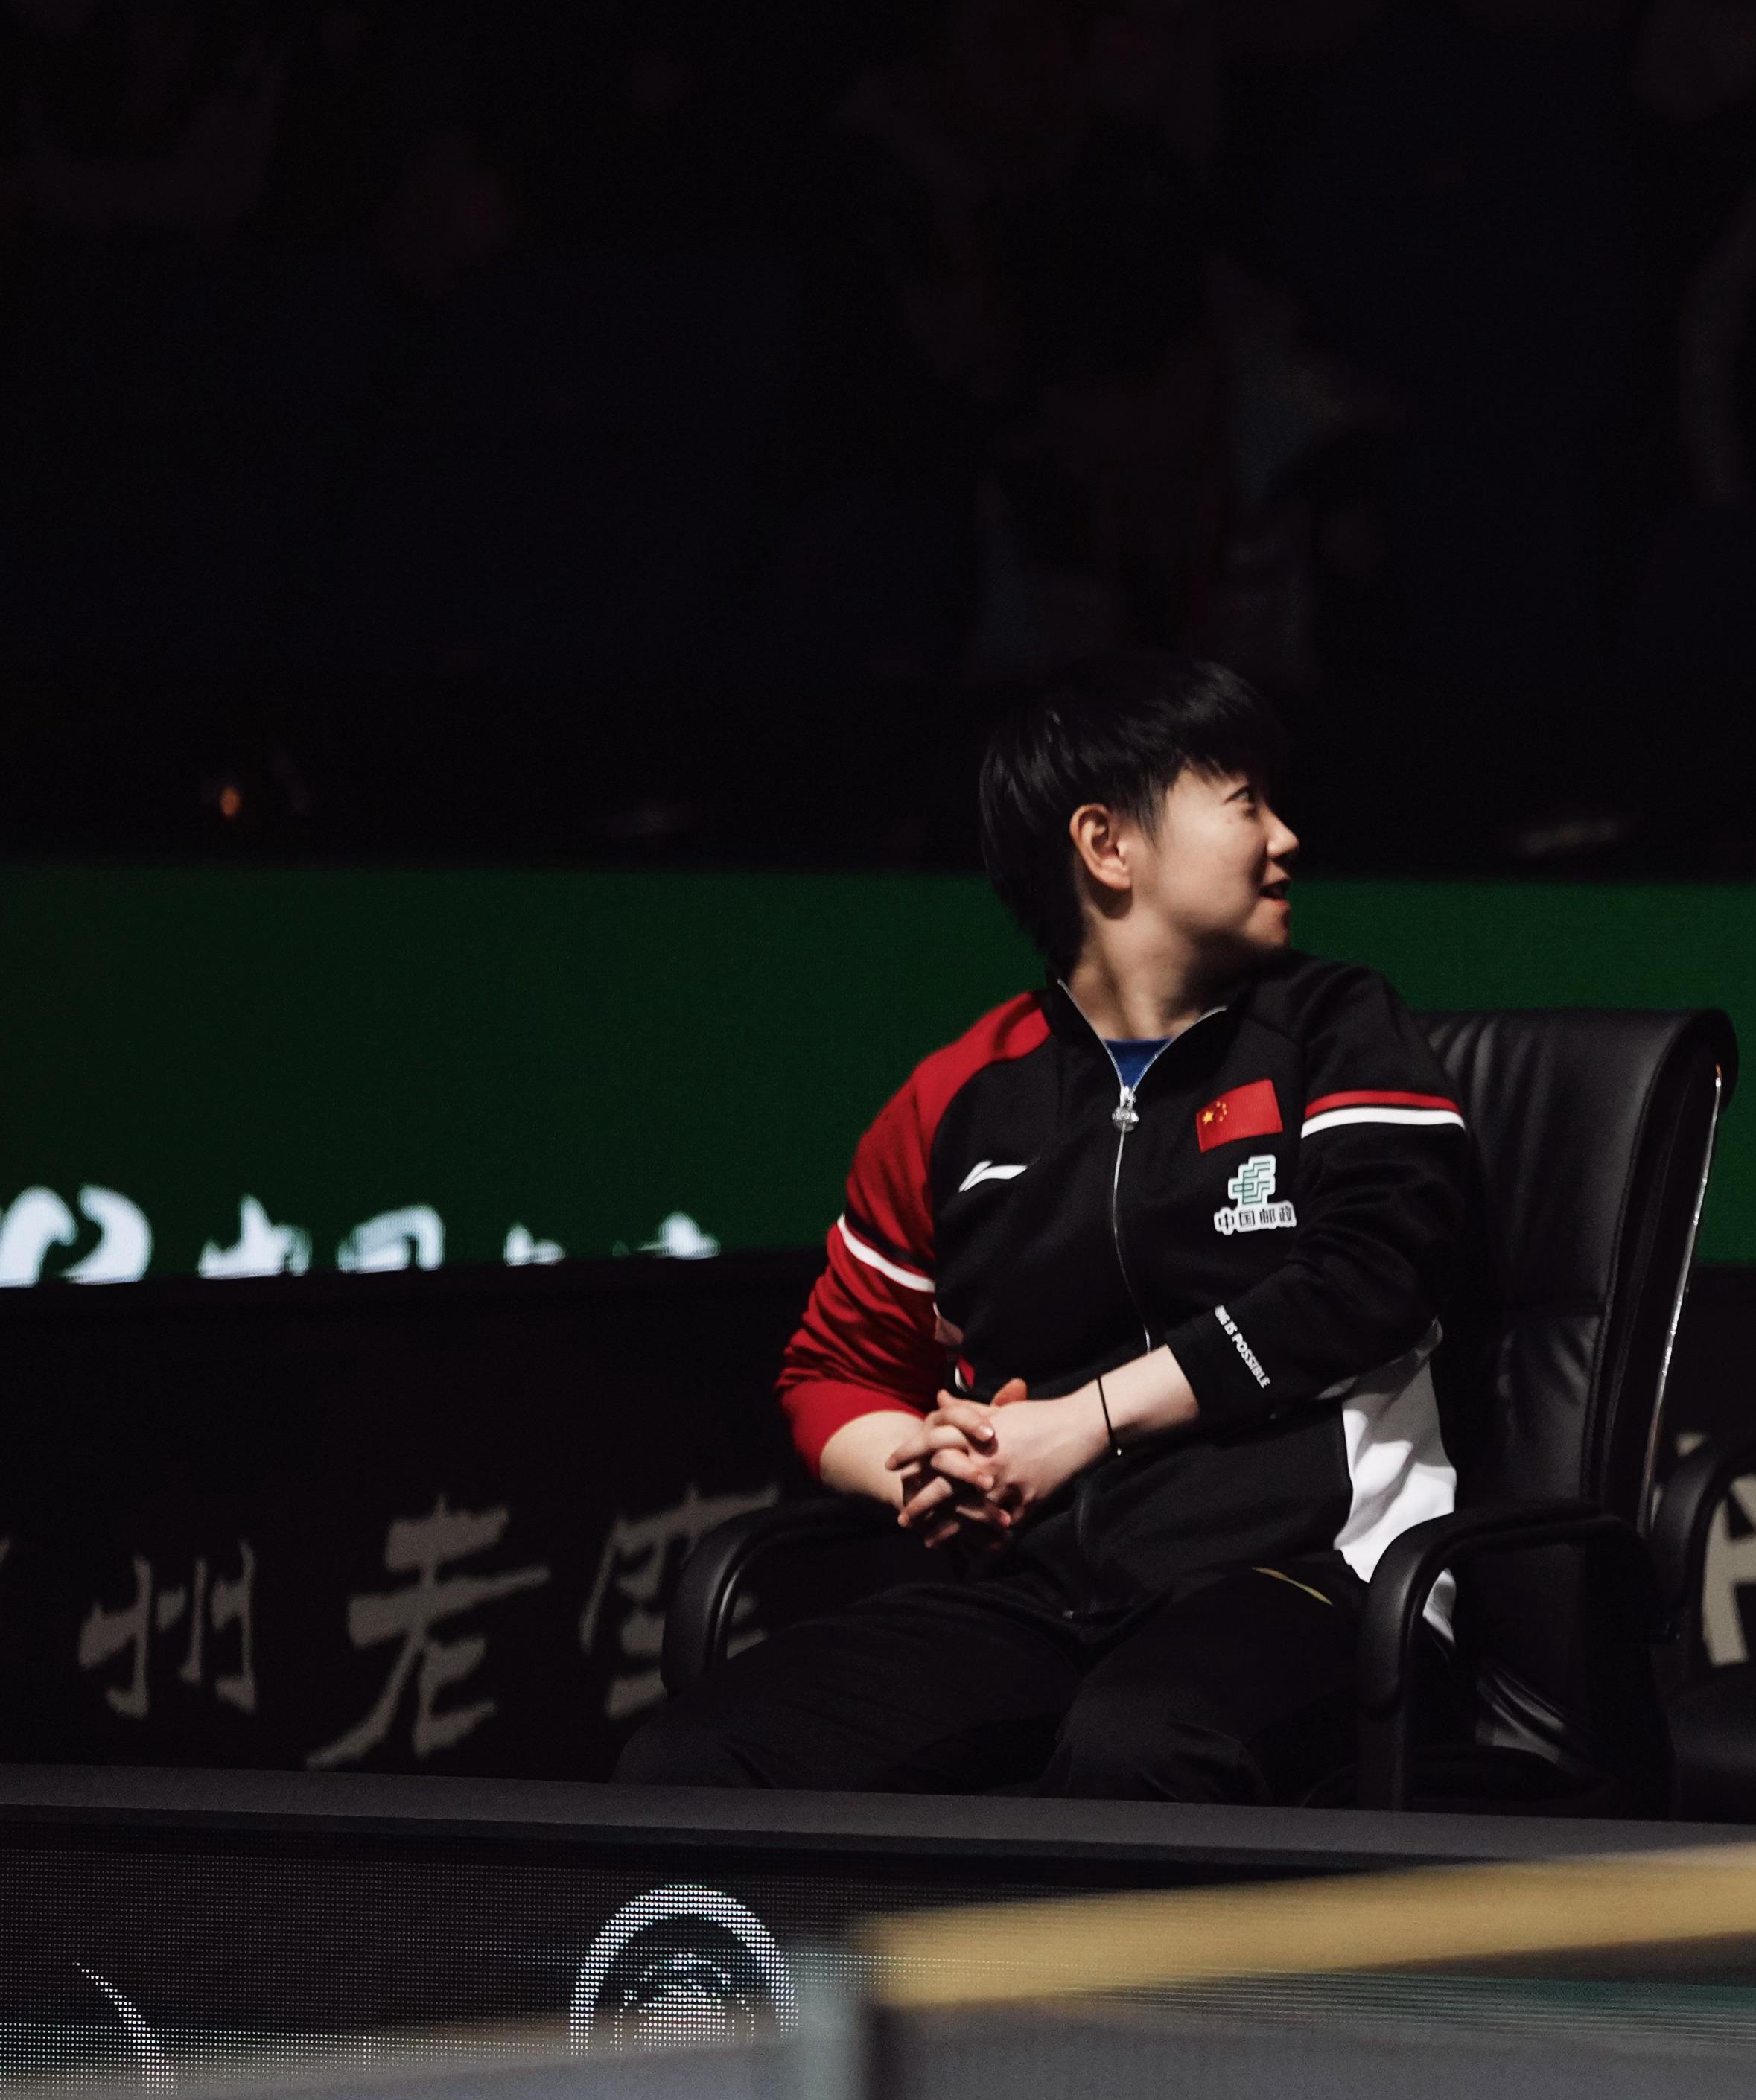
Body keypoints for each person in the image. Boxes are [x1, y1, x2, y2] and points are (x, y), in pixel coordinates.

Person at [620, 656, 1478, 1797]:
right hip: (1039, 1596)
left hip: (1318, 1576)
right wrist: (928, 1467)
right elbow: (833, 1373)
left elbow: (1373, 1276)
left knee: (1143, 1745)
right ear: (1107, 846)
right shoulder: (956, 1100)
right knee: (695, 1756)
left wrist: (1085, 1422)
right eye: (1244, 804)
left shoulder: (1336, 1028)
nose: (1286, 838)